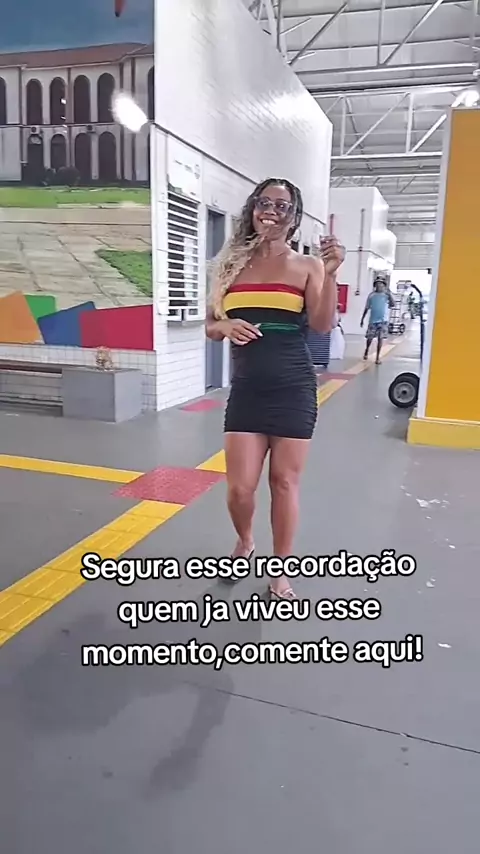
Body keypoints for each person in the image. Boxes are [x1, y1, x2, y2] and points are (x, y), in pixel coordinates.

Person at [206, 178, 345, 599]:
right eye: (264, 203)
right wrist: (225, 325)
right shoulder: (229, 265)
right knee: (240, 489)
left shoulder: (308, 266)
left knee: (284, 483)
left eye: (282, 206)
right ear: (252, 209)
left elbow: (322, 325)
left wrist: (331, 274)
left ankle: (281, 569)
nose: (271, 211)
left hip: (293, 388)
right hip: (248, 388)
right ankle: (245, 541)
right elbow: (210, 324)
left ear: (294, 218)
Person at [360, 277, 394, 365]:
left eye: (381, 284)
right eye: (377, 284)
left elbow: (392, 304)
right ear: (375, 285)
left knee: (380, 339)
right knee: (369, 338)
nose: (379, 285)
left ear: (384, 286)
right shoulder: (371, 295)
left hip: (383, 321)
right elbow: (367, 308)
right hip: (373, 320)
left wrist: (390, 295)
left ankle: (378, 357)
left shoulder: (386, 295)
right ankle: (367, 350)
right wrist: (362, 319)